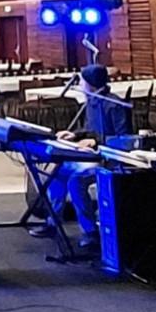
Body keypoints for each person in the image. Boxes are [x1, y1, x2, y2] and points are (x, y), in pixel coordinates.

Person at [34, 64, 131, 249]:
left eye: (83, 82)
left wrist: (96, 142)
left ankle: (90, 231)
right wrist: (75, 135)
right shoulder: (91, 102)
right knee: (58, 172)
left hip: (109, 159)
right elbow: (90, 129)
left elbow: (123, 137)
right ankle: (52, 222)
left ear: (92, 84)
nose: (81, 85)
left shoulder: (114, 104)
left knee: (76, 181)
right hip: (91, 156)